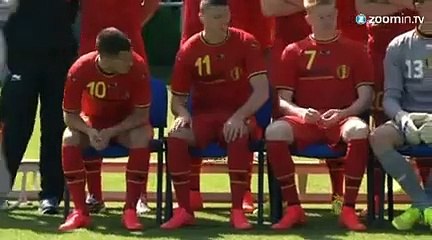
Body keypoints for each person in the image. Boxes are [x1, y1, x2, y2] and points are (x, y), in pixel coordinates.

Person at [161, 0, 269, 230]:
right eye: (217, 17)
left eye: (226, 16)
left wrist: (240, 116)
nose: (223, 22)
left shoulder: (246, 43)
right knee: (175, 137)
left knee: (236, 133)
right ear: (201, 17)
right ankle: (184, 209)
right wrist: (182, 114)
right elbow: (177, 99)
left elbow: (262, 91)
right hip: (203, 116)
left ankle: (238, 210)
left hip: (239, 114)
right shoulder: (189, 50)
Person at [267, 0, 373, 231]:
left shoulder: (355, 49)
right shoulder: (293, 51)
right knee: (274, 131)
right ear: (308, 18)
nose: (326, 21)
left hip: (341, 118)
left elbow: (365, 97)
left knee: (360, 130)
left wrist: (344, 113)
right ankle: (293, 208)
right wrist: (301, 112)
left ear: (336, 15)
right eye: (320, 17)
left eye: (329, 16)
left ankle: (348, 209)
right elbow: (282, 99)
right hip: (306, 120)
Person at [59, 27, 152, 231]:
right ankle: (80, 212)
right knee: (69, 138)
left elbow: (141, 115)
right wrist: (89, 131)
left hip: (125, 125)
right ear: (106, 58)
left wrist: (112, 131)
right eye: (124, 59)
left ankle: (130, 211)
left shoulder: (137, 66)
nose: (130, 62)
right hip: (93, 122)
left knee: (142, 136)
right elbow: (69, 115)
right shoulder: (81, 68)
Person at [78, 0, 160, 215]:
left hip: (127, 44)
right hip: (92, 43)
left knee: (137, 113)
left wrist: (130, 25)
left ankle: (139, 195)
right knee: (91, 116)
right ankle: (94, 194)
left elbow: (152, 3)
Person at [0, 0, 78, 214]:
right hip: (20, 56)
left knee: (55, 126)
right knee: (15, 127)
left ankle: (51, 195)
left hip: (60, 55)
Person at [369, 0, 432, 230]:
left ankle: (423, 204)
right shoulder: (399, 45)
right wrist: (404, 119)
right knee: (379, 137)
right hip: (410, 116)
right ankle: (424, 204)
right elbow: (390, 97)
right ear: (417, 7)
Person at [355, 0, 422, 216]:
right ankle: (376, 199)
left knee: (422, 124)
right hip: (378, 55)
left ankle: (422, 198)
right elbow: (362, 8)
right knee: (378, 128)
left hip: (417, 52)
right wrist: (408, 5)